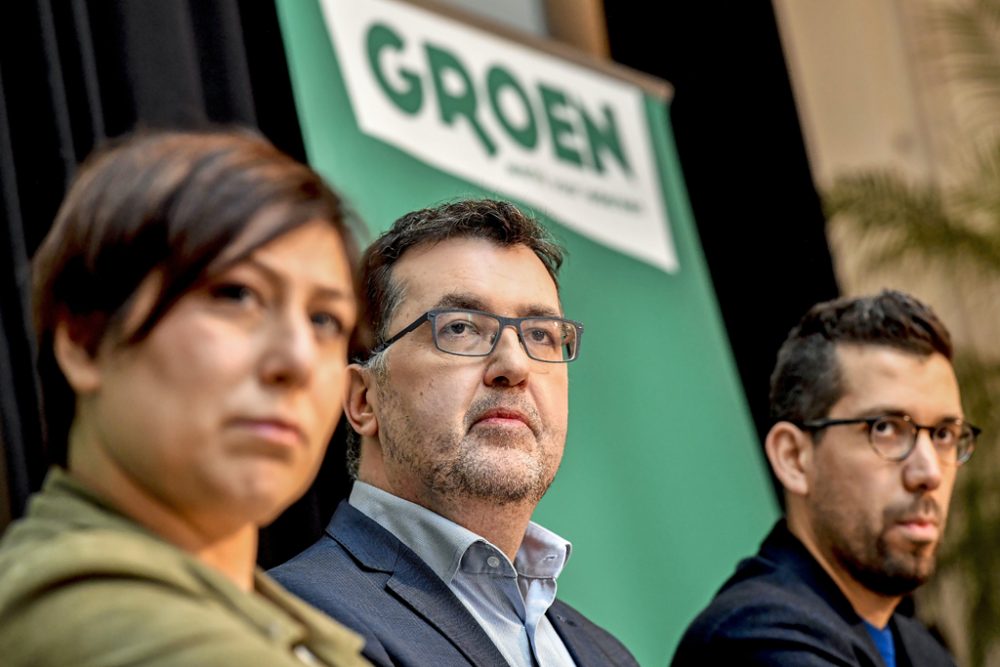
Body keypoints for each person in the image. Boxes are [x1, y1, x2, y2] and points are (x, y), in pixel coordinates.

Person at [0, 129, 371, 666]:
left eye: (325, 320)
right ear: (84, 340)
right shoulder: (79, 614)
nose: (297, 359)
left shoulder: (293, 628)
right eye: (235, 293)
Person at [270, 198, 638, 666]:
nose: (514, 366)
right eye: (461, 328)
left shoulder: (607, 655)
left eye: (542, 334)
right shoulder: (297, 623)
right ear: (364, 400)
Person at [671, 290, 973, 666]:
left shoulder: (924, 651)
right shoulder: (753, 638)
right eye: (886, 428)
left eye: (944, 434)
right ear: (794, 458)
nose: (928, 472)